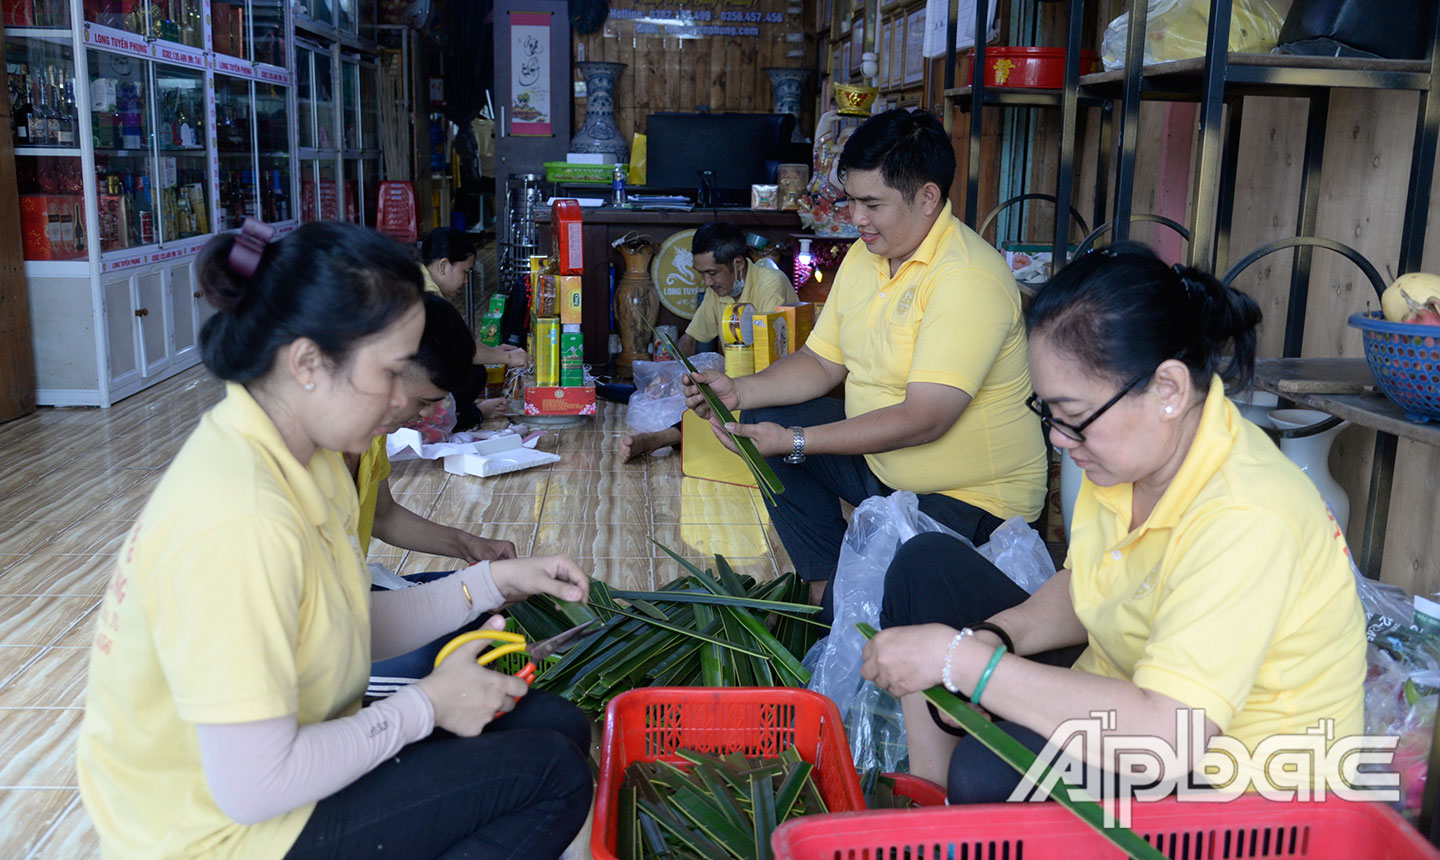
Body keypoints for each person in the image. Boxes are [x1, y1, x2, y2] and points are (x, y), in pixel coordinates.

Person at [77, 220, 593, 860]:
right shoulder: (240, 520)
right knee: (550, 773)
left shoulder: (307, 454)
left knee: (559, 726)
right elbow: (253, 785)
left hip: (287, 767)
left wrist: (490, 582)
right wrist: (425, 707)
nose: (408, 398)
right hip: (223, 832)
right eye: (393, 372)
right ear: (308, 363)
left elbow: (343, 623)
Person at [861, 244, 1366, 801]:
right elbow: (1087, 587)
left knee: (995, 768)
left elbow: (1168, 739)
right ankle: (935, 813)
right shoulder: (1128, 459)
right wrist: (992, 638)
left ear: (1169, 390)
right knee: (926, 567)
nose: (1057, 437)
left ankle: (967, 815)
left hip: (1236, 782)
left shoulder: (1247, 513)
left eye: (1074, 417)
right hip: (1124, 684)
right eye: (1049, 414)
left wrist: (966, 662)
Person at [685, 108, 1047, 611]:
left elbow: (924, 420)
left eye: (871, 204)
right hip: (886, 466)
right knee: (764, 417)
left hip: (972, 501)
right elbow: (821, 363)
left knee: (863, 602)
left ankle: (836, 600)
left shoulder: (967, 278)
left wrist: (798, 442)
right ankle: (823, 580)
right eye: (851, 200)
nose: (855, 218)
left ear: (927, 198)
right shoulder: (866, 255)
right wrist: (739, 391)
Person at [352, 292, 517, 567]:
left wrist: (469, 545)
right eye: (423, 401)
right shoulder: (303, 454)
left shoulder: (376, 432)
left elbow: (382, 515)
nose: (428, 413)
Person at [619, 221, 797, 462]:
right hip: (737, 385)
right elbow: (690, 340)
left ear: (738, 264)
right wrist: (668, 377)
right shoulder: (719, 292)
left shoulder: (769, 284)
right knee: (699, 398)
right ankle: (661, 438)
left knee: (730, 409)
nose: (707, 282)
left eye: (712, 273)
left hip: (776, 385)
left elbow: (767, 364)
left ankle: (659, 439)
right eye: (701, 273)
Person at [420, 228, 528, 429]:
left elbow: (457, 341)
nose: (466, 281)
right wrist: (509, 358)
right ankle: (469, 416)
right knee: (473, 373)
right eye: (465, 272)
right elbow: (463, 349)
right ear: (443, 265)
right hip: (412, 381)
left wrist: (494, 352)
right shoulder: (429, 298)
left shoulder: (417, 280)